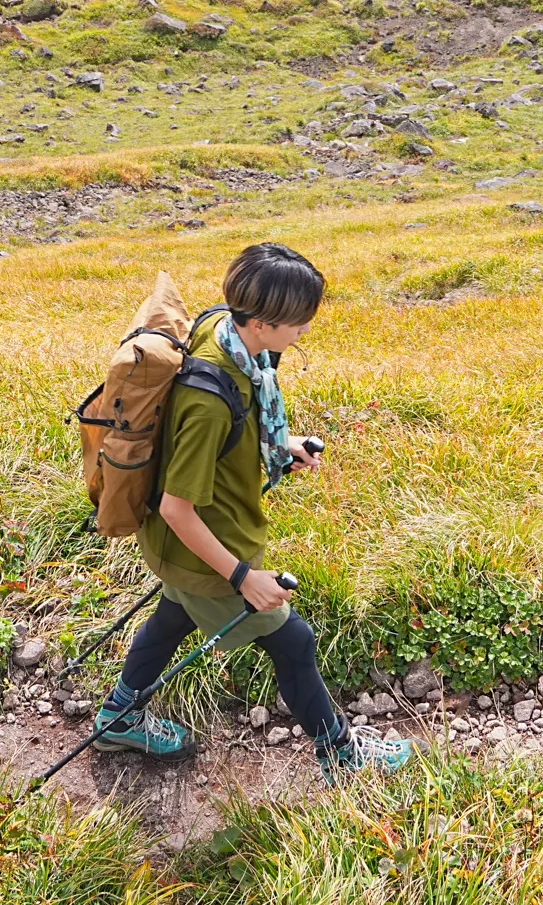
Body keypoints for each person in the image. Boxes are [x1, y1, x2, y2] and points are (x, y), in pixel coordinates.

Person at [93, 240, 412, 778]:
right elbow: (177, 508)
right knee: (293, 641)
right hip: (202, 548)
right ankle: (341, 752)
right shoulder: (208, 402)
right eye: (298, 323)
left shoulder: (223, 332)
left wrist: (282, 445)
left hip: (191, 546)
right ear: (261, 321)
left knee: (173, 617)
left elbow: (241, 419)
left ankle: (118, 718)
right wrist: (243, 577)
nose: (304, 331)